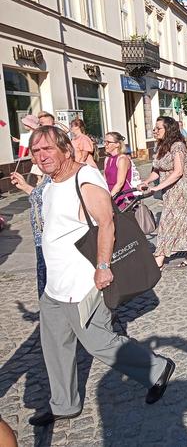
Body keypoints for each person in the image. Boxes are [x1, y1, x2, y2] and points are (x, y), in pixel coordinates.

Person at [26, 125, 174, 426]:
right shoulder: (52, 182)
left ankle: (156, 368)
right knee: (55, 346)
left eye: (48, 149)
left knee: (97, 341)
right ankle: (64, 404)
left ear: (66, 148)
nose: (42, 156)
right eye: (36, 151)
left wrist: (103, 267)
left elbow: (107, 223)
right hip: (55, 283)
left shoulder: (85, 177)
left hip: (82, 281)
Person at [139, 116, 187, 269]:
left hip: (180, 188)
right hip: (168, 188)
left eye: (159, 128)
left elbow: (178, 172)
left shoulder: (177, 146)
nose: (155, 131)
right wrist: (147, 182)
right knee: (183, 221)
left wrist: (157, 188)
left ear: (168, 129)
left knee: (167, 221)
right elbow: (157, 170)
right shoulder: (161, 146)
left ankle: (159, 257)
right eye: (155, 128)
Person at [9, 168, 50, 297]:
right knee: (43, 278)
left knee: (48, 281)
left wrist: (26, 187)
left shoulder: (53, 176)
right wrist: (25, 187)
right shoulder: (46, 175)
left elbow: (44, 198)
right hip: (40, 237)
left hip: (47, 238)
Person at [102, 132, 134, 210]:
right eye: (104, 141)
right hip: (110, 193)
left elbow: (120, 183)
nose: (105, 144)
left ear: (117, 144)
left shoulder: (122, 159)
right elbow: (104, 180)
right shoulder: (107, 159)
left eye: (108, 142)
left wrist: (109, 198)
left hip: (122, 195)